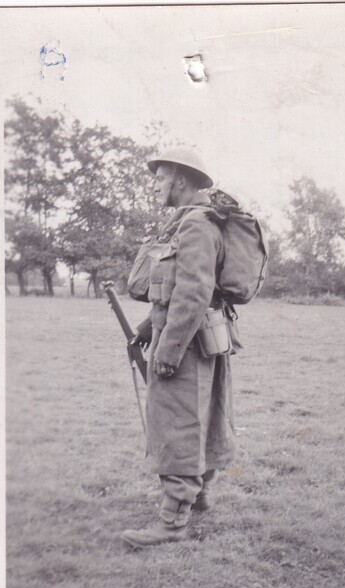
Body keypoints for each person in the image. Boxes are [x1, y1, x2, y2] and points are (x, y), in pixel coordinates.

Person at [122, 148, 236, 549]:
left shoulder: (196, 226)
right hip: (197, 338)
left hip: (187, 346)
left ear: (181, 181)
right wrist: (149, 326)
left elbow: (194, 293)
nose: (156, 184)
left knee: (178, 427)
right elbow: (175, 293)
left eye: (160, 177)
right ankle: (198, 496)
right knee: (201, 421)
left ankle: (172, 523)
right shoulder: (191, 223)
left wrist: (167, 351)